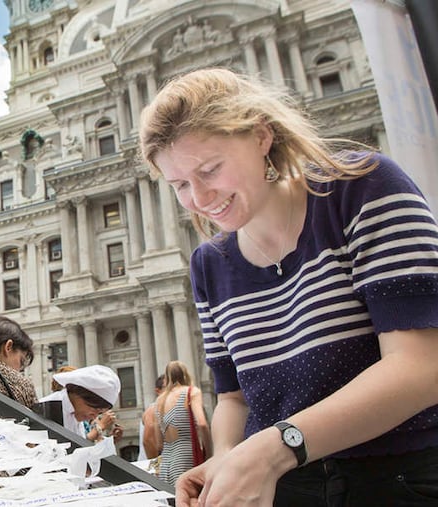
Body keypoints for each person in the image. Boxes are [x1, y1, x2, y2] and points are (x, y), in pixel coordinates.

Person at [139, 67, 438, 506]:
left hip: (401, 476)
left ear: (261, 136)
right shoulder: (209, 264)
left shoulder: (363, 188)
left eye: (210, 169)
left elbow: (422, 365)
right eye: (180, 184)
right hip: (284, 488)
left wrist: (277, 448)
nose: (199, 199)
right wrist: (225, 457)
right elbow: (234, 398)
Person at [143, 361, 211, 486]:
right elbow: (202, 424)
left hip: (166, 463)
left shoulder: (160, 400)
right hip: (186, 457)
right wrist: (210, 452)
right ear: (186, 374)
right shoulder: (192, 392)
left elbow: (159, 444)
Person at [36, 365, 121, 440]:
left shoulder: (76, 413)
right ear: (80, 394)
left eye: (99, 413)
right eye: (95, 409)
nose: (94, 416)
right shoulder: (48, 408)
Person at [139, 374, 165, 461]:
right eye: (167, 388)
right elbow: (148, 440)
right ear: (158, 391)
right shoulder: (154, 409)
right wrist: (157, 465)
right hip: (152, 469)